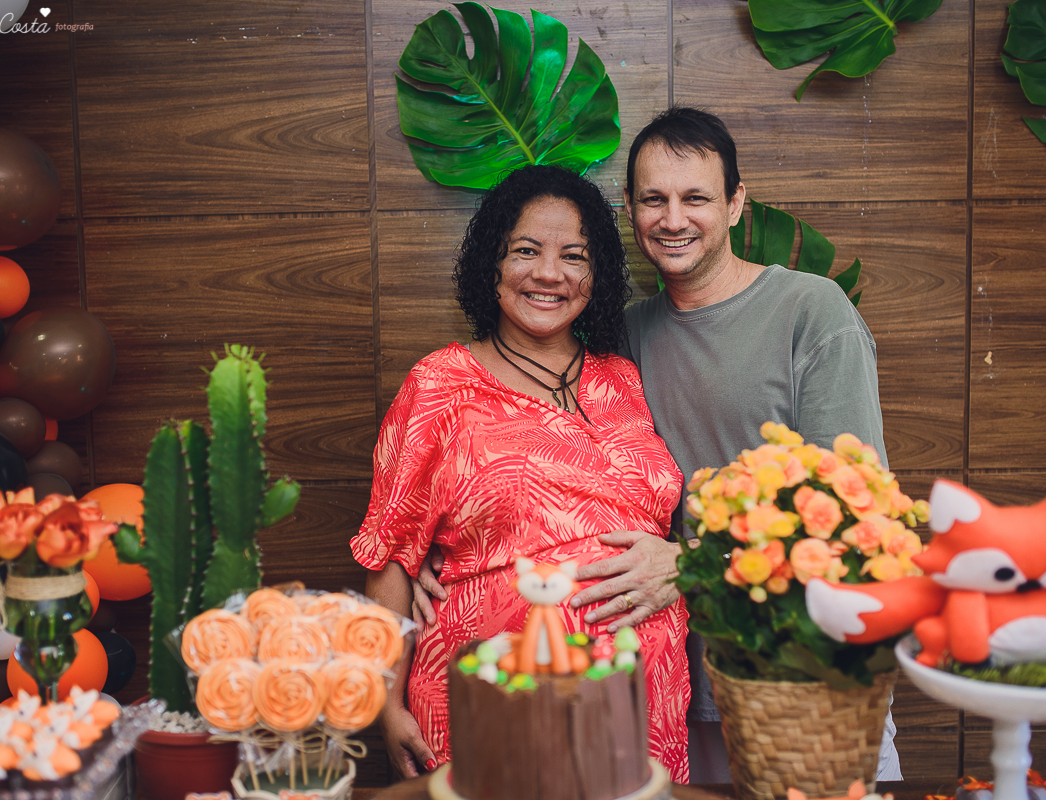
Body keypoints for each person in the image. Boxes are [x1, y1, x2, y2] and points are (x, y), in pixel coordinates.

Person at [414, 108, 894, 783]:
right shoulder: (619, 338)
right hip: (675, 683)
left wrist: (692, 561)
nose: (674, 218)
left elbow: (857, 520)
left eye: (696, 198)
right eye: (653, 200)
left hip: (794, 671)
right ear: (631, 212)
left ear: (734, 205)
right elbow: (535, 457)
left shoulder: (811, 314)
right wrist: (449, 554)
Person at [351, 165, 692, 783]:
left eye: (574, 256)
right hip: (490, 712)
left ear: (597, 275)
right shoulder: (441, 384)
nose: (549, 274)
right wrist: (386, 700)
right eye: (526, 251)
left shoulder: (624, 378)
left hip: (642, 707)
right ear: (494, 264)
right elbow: (392, 552)